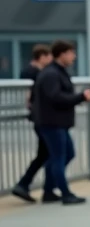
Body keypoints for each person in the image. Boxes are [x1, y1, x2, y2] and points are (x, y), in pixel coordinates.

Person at [33, 40, 90, 205]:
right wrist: (81, 97)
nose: (73, 57)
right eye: (71, 53)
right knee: (58, 157)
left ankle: (49, 190)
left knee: (67, 154)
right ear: (62, 54)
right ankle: (65, 193)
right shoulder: (51, 74)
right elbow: (55, 97)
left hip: (58, 122)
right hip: (52, 123)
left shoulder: (57, 72)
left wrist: (79, 98)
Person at [11, 44, 53, 202]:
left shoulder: (29, 71)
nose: (50, 60)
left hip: (38, 116)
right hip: (41, 117)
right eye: (48, 56)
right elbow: (30, 94)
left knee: (44, 153)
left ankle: (26, 184)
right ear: (42, 56)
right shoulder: (34, 73)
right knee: (47, 153)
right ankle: (26, 184)